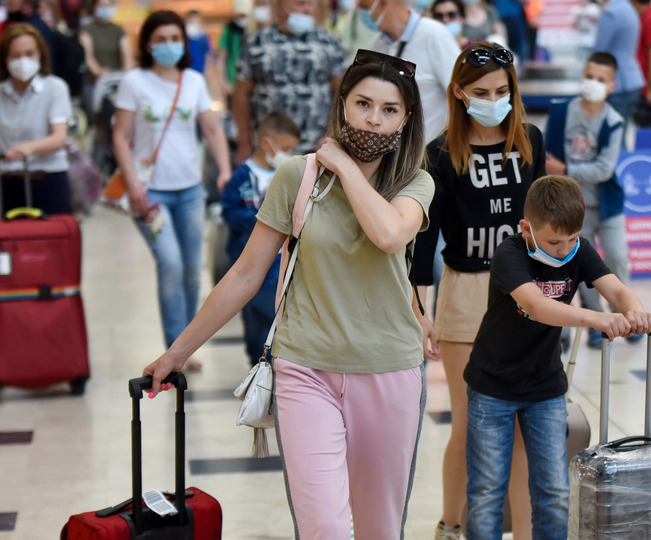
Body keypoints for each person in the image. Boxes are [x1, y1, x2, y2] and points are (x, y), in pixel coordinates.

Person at [142, 48, 435, 540]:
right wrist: (177, 352)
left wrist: (341, 166)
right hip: (305, 369)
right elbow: (245, 274)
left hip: (389, 370)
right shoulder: (296, 176)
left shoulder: (415, 182)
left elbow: (387, 234)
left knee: (380, 530)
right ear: (342, 104)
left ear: (406, 119)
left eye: (389, 110)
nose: (373, 119)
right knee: (323, 527)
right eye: (363, 104)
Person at [464, 175, 651, 540]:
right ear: (526, 228)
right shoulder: (510, 253)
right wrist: (598, 318)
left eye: (571, 239)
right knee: (486, 492)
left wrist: (636, 310)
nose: (564, 250)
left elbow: (615, 288)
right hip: (491, 388)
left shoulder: (578, 250)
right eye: (553, 241)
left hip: (546, 389)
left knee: (554, 492)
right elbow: (536, 306)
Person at [411, 41, 546, 540]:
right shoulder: (441, 154)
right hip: (466, 290)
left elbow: (545, 221)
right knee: (471, 426)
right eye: (482, 91)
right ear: (459, 93)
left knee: (519, 430)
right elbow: (423, 240)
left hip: (525, 291)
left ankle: (526, 532)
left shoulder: (529, 139)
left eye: (503, 90)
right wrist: (421, 309)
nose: (494, 99)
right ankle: (451, 526)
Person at [112, 10, 231, 365]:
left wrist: (224, 169)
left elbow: (211, 129)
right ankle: (173, 351)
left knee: (192, 269)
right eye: (160, 40)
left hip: (190, 191)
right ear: (147, 44)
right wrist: (133, 184)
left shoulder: (193, 81)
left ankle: (185, 346)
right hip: (151, 194)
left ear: (184, 42)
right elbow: (121, 135)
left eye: (174, 39)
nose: (168, 46)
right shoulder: (134, 82)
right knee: (171, 264)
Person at [544, 51, 635, 350]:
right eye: (589, 76)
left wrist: (567, 169)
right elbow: (547, 159)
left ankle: (627, 313)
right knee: (583, 264)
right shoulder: (561, 113)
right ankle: (597, 323)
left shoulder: (614, 122)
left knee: (617, 256)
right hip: (571, 207)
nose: (593, 83)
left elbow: (604, 170)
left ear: (612, 85)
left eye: (600, 79)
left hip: (606, 203)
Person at [220, 111, 300, 366]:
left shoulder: (290, 175)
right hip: (247, 258)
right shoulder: (242, 177)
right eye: (286, 148)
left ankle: (279, 359)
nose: (288, 154)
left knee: (278, 311)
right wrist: (260, 217)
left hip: (280, 261)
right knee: (254, 314)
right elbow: (229, 213)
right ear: (267, 143)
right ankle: (258, 360)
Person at [233, 0, 345, 161]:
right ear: (280, 5)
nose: (307, 10)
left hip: (316, 148)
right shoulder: (257, 42)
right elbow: (241, 94)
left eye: (311, 4)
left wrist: (332, 135)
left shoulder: (329, 41)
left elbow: (341, 93)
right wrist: (244, 143)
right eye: (300, 3)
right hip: (269, 148)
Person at [359, 0, 460, 142]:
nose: (362, 15)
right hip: (394, 154)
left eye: (364, 7)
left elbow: (461, 93)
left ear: (383, 3)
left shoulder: (434, 35)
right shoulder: (378, 45)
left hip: (430, 152)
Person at [0, 23, 70, 215]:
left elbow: (59, 138)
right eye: (16, 55)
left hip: (48, 180)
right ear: (6, 58)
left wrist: (25, 149)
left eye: (29, 53)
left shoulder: (55, 88)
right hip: (7, 182)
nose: (23, 60)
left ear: (40, 55)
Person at [78, 0, 133, 115]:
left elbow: (127, 56)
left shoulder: (118, 30)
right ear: (94, 7)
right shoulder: (87, 30)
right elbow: (88, 57)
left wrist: (126, 75)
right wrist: (99, 73)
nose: (105, 8)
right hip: (94, 83)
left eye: (107, 5)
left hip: (117, 83)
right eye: (101, 5)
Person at [592, 0, 643, 123]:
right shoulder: (629, 8)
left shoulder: (611, 13)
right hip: (632, 77)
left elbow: (599, 51)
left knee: (613, 135)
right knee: (621, 132)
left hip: (616, 81)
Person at [217, 0, 251, 101]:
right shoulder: (229, 30)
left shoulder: (252, 29)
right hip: (232, 82)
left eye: (244, 15)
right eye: (240, 15)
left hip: (250, 83)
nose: (242, 18)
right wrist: (223, 82)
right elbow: (221, 58)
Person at [185, 10, 214, 76]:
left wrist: (206, 71)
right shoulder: (183, 37)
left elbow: (208, 55)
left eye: (195, 19)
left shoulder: (203, 37)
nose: (193, 21)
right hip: (186, 71)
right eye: (191, 18)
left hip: (200, 71)